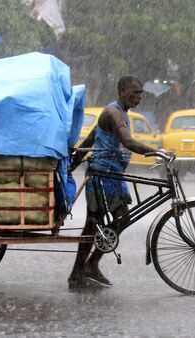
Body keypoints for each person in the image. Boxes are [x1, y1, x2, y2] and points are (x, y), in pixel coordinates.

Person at [68, 76, 162, 288]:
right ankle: (81, 270)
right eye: (135, 92)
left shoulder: (120, 113)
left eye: (141, 93)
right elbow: (127, 142)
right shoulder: (113, 112)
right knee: (94, 224)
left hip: (113, 175)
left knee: (115, 221)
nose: (138, 97)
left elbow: (91, 138)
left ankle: (86, 268)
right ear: (122, 90)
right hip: (102, 176)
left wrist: (75, 161)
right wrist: (157, 153)